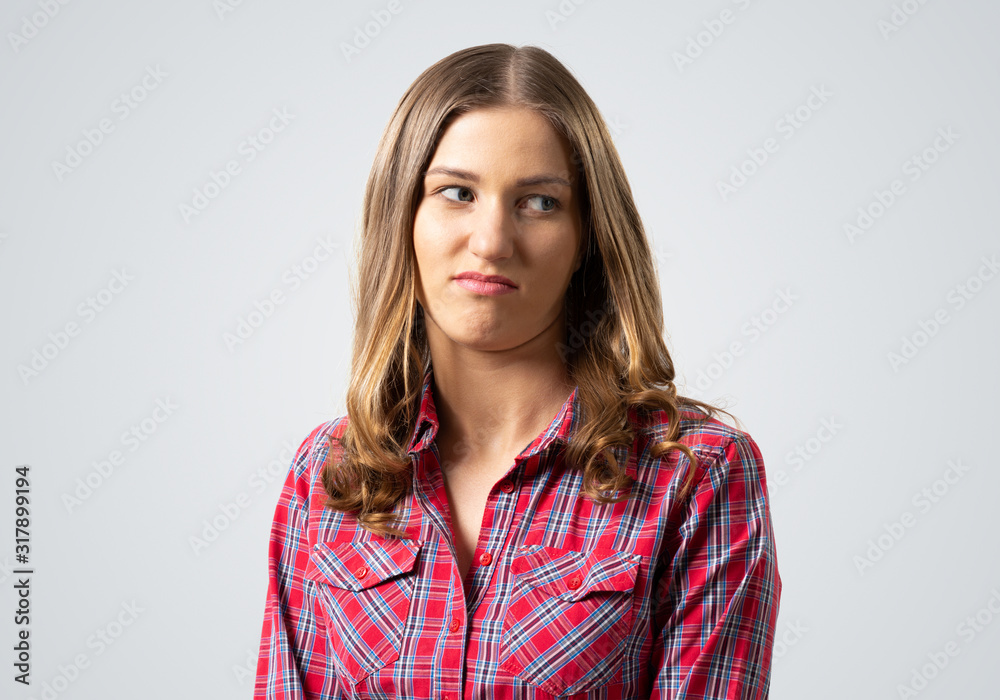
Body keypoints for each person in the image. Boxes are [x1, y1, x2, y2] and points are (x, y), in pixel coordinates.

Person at [254, 43, 781, 699]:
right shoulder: (326, 474)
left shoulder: (695, 475)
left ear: (588, 234)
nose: (492, 240)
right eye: (456, 193)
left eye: (538, 203)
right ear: (402, 218)